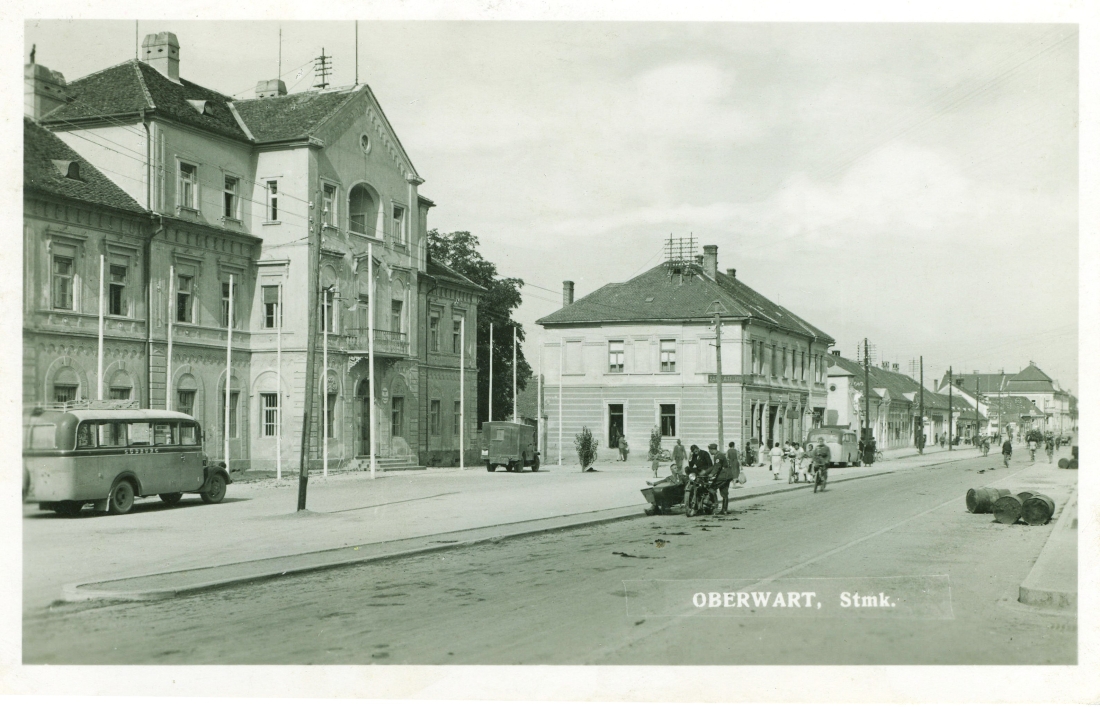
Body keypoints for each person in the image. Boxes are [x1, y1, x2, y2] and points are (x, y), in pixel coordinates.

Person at [708, 443, 736, 514]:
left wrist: (711, 474)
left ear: (712, 449)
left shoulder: (718, 456)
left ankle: (714, 504)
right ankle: (724, 510)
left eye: (710, 450)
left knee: (711, 488)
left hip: (724, 475)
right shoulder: (718, 454)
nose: (709, 451)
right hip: (727, 475)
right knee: (724, 492)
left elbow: (717, 466)